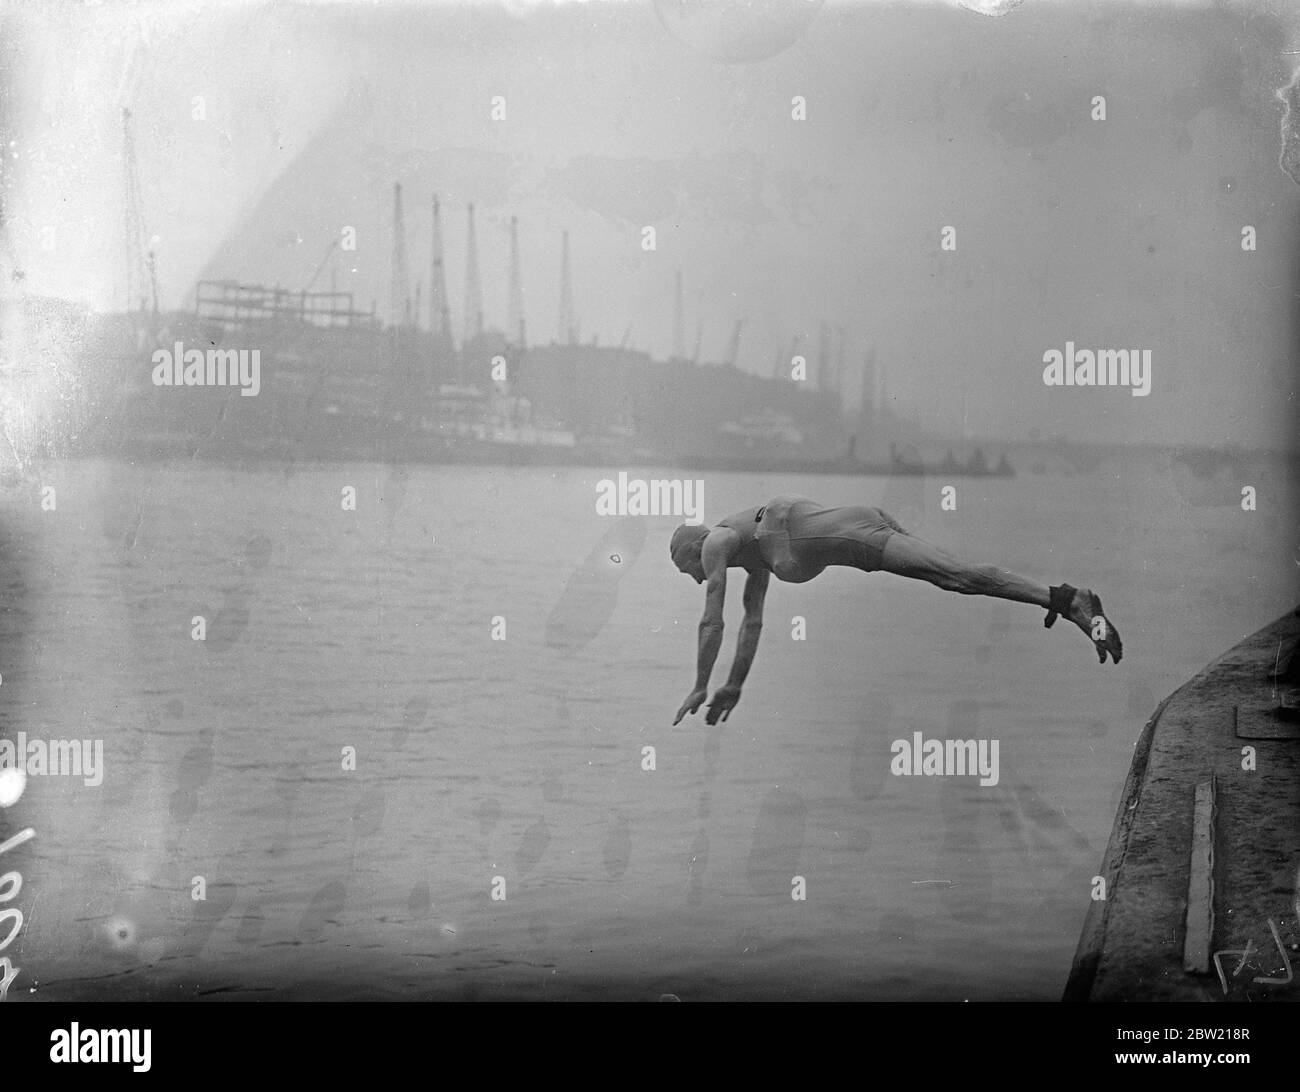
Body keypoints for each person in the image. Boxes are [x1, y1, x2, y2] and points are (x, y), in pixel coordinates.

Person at [670, 495, 1122, 726]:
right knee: (955, 578)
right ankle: (1065, 600)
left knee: (957, 576)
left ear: (693, 547)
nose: (693, 578)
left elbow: (714, 616)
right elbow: (752, 622)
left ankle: (1069, 599)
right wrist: (732, 684)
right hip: (855, 525)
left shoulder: (716, 542)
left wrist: (697, 686)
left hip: (851, 533)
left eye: (685, 568)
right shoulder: (747, 550)